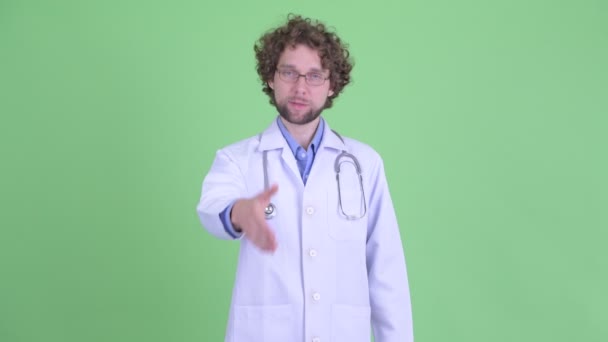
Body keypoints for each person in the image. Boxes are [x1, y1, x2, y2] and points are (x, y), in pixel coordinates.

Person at [196, 14, 413, 342]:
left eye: (314, 76)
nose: (300, 87)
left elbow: (387, 273)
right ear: (271, 77)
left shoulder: (364, 164)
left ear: (332, 85)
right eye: (289, 72)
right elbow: (213, 207)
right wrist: (240, 213)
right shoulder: (238, 159)